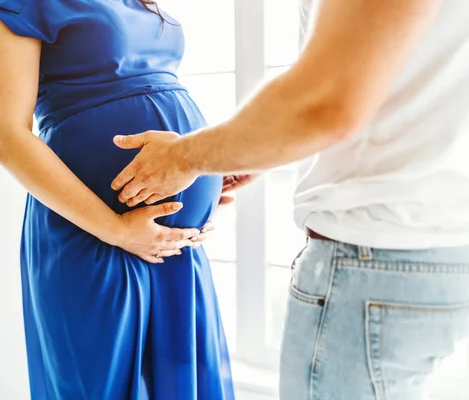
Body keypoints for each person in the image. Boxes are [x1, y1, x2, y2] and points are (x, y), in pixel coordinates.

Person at [111, 0, 469, 398]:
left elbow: (326, 101)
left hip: (372, 260)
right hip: (428, 250)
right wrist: (259, 149)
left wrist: (183, 158)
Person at [0, 1, 234, 399]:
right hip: (93, 237)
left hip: (173, 249)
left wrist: (205, 172)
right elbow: (3, 136)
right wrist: (116, 229)